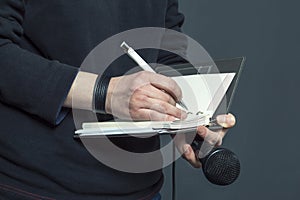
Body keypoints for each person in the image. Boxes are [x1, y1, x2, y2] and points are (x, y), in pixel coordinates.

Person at [0, 0, 236, 199]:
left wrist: (190, 117)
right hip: (33, 186)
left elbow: (166, 45)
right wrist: (107, 93)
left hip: (142, 188)